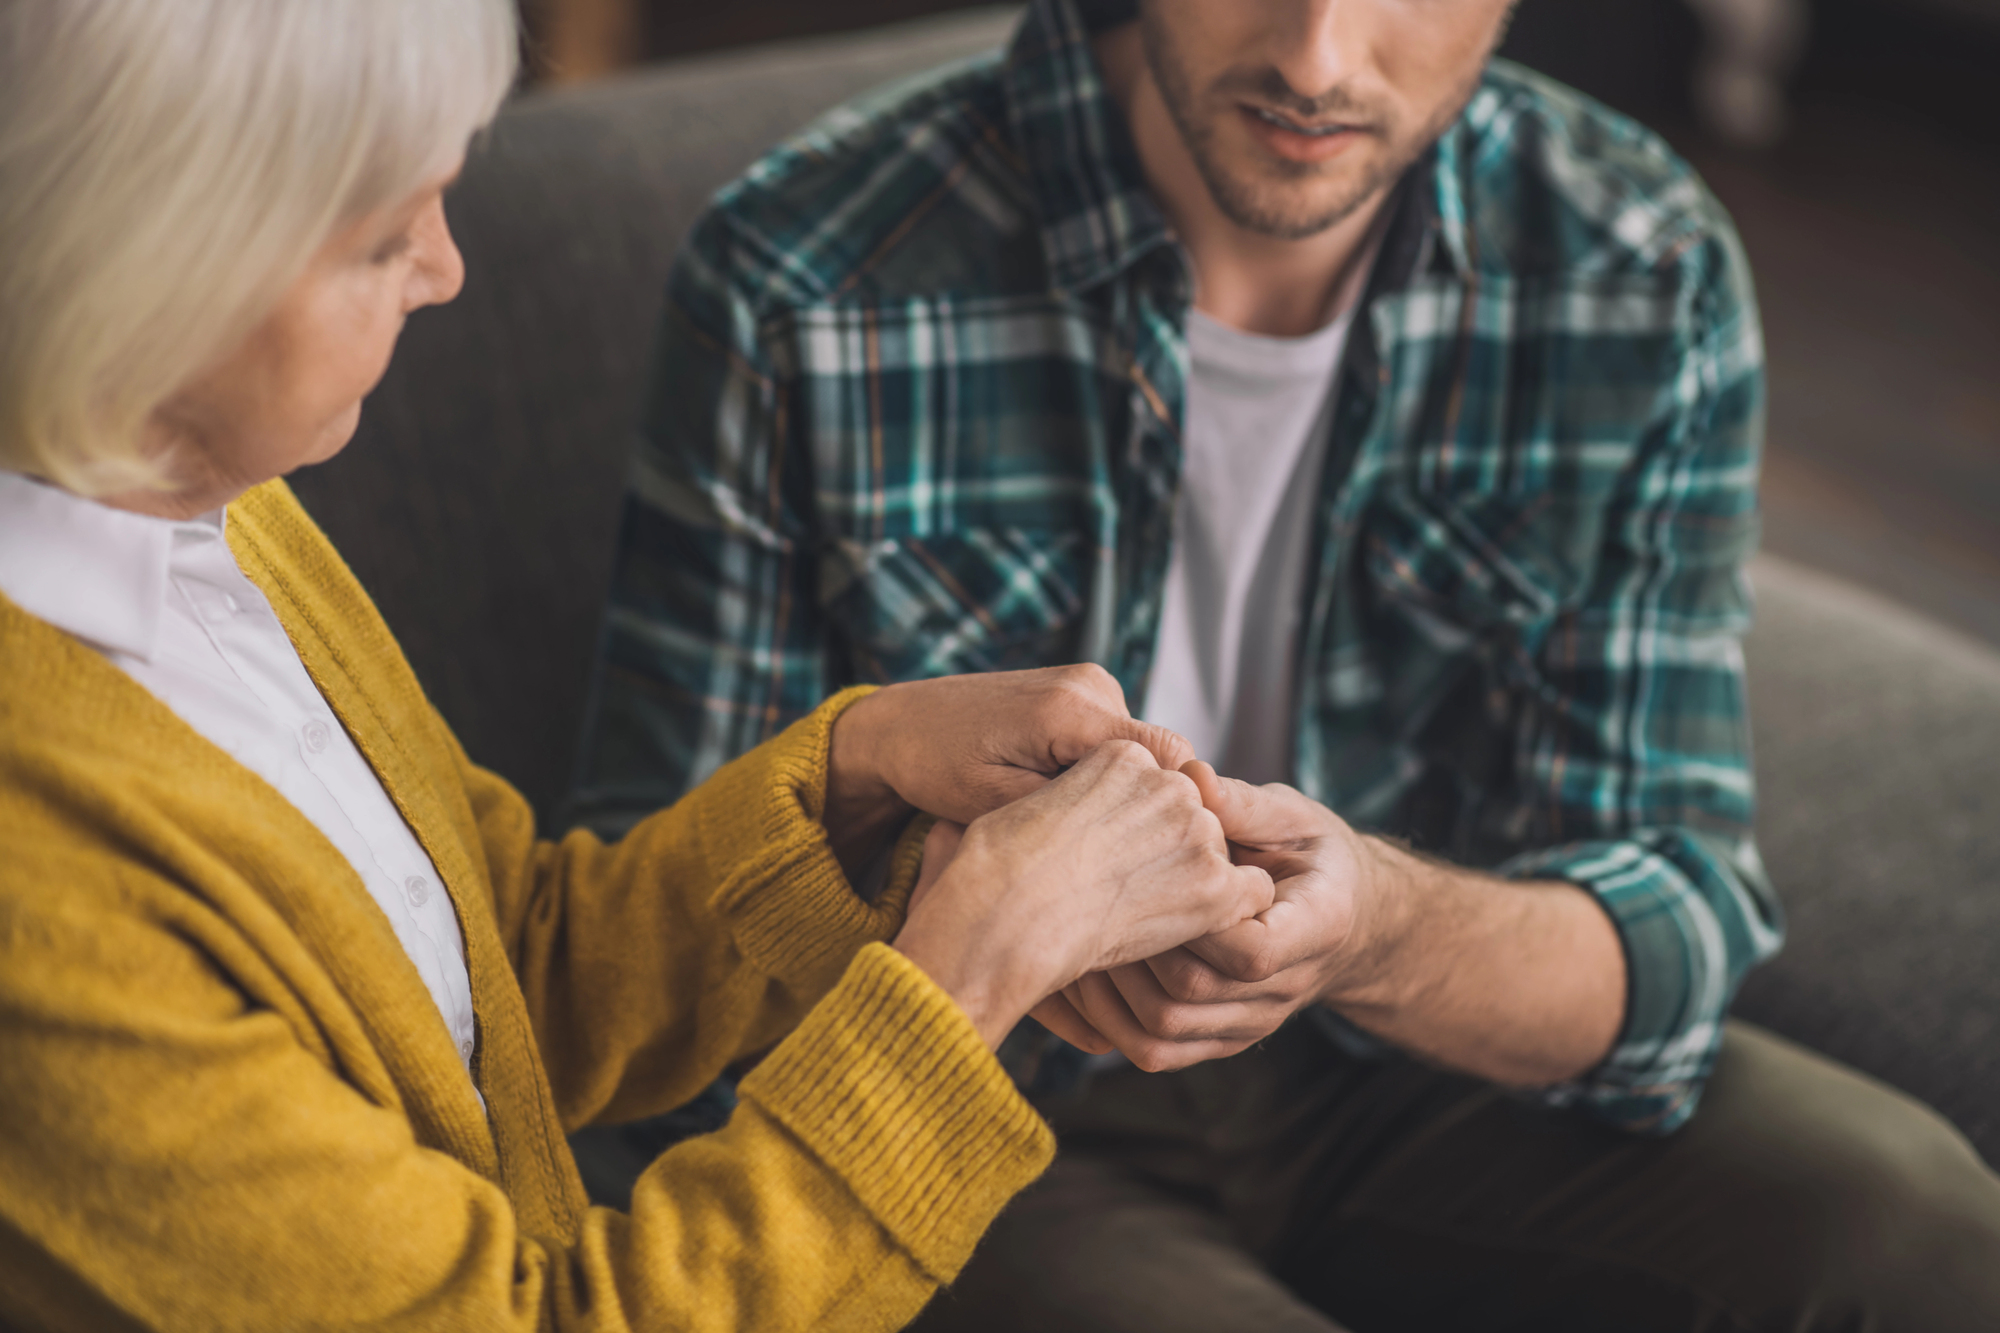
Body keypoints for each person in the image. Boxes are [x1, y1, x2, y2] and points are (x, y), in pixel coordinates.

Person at [575, 0, 2000, 1326]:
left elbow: (1671, 925)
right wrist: (977, 923)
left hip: (1421, 1055)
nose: (1319, 60)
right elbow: (657, 942)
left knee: (1924, 1230)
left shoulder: (1639, 269)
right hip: (1002, 1104)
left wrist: (1372, 922)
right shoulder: (806, 273)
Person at [0, 3, 1279, 1329]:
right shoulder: (38, 885)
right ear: (154, 268)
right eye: (385, 234)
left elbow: (513, 968)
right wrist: (964, 987)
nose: (444, 270)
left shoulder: (200, 494)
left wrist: (862, 776)